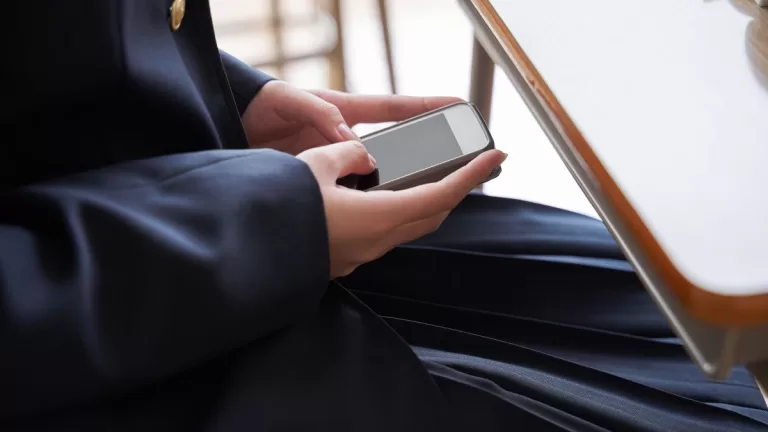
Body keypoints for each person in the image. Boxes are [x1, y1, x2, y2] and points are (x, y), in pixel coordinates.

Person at [2, 1, 766, 430]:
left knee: (647, 302)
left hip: (208, 204)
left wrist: (227, 98)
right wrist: (273, 225)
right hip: (111, 333)